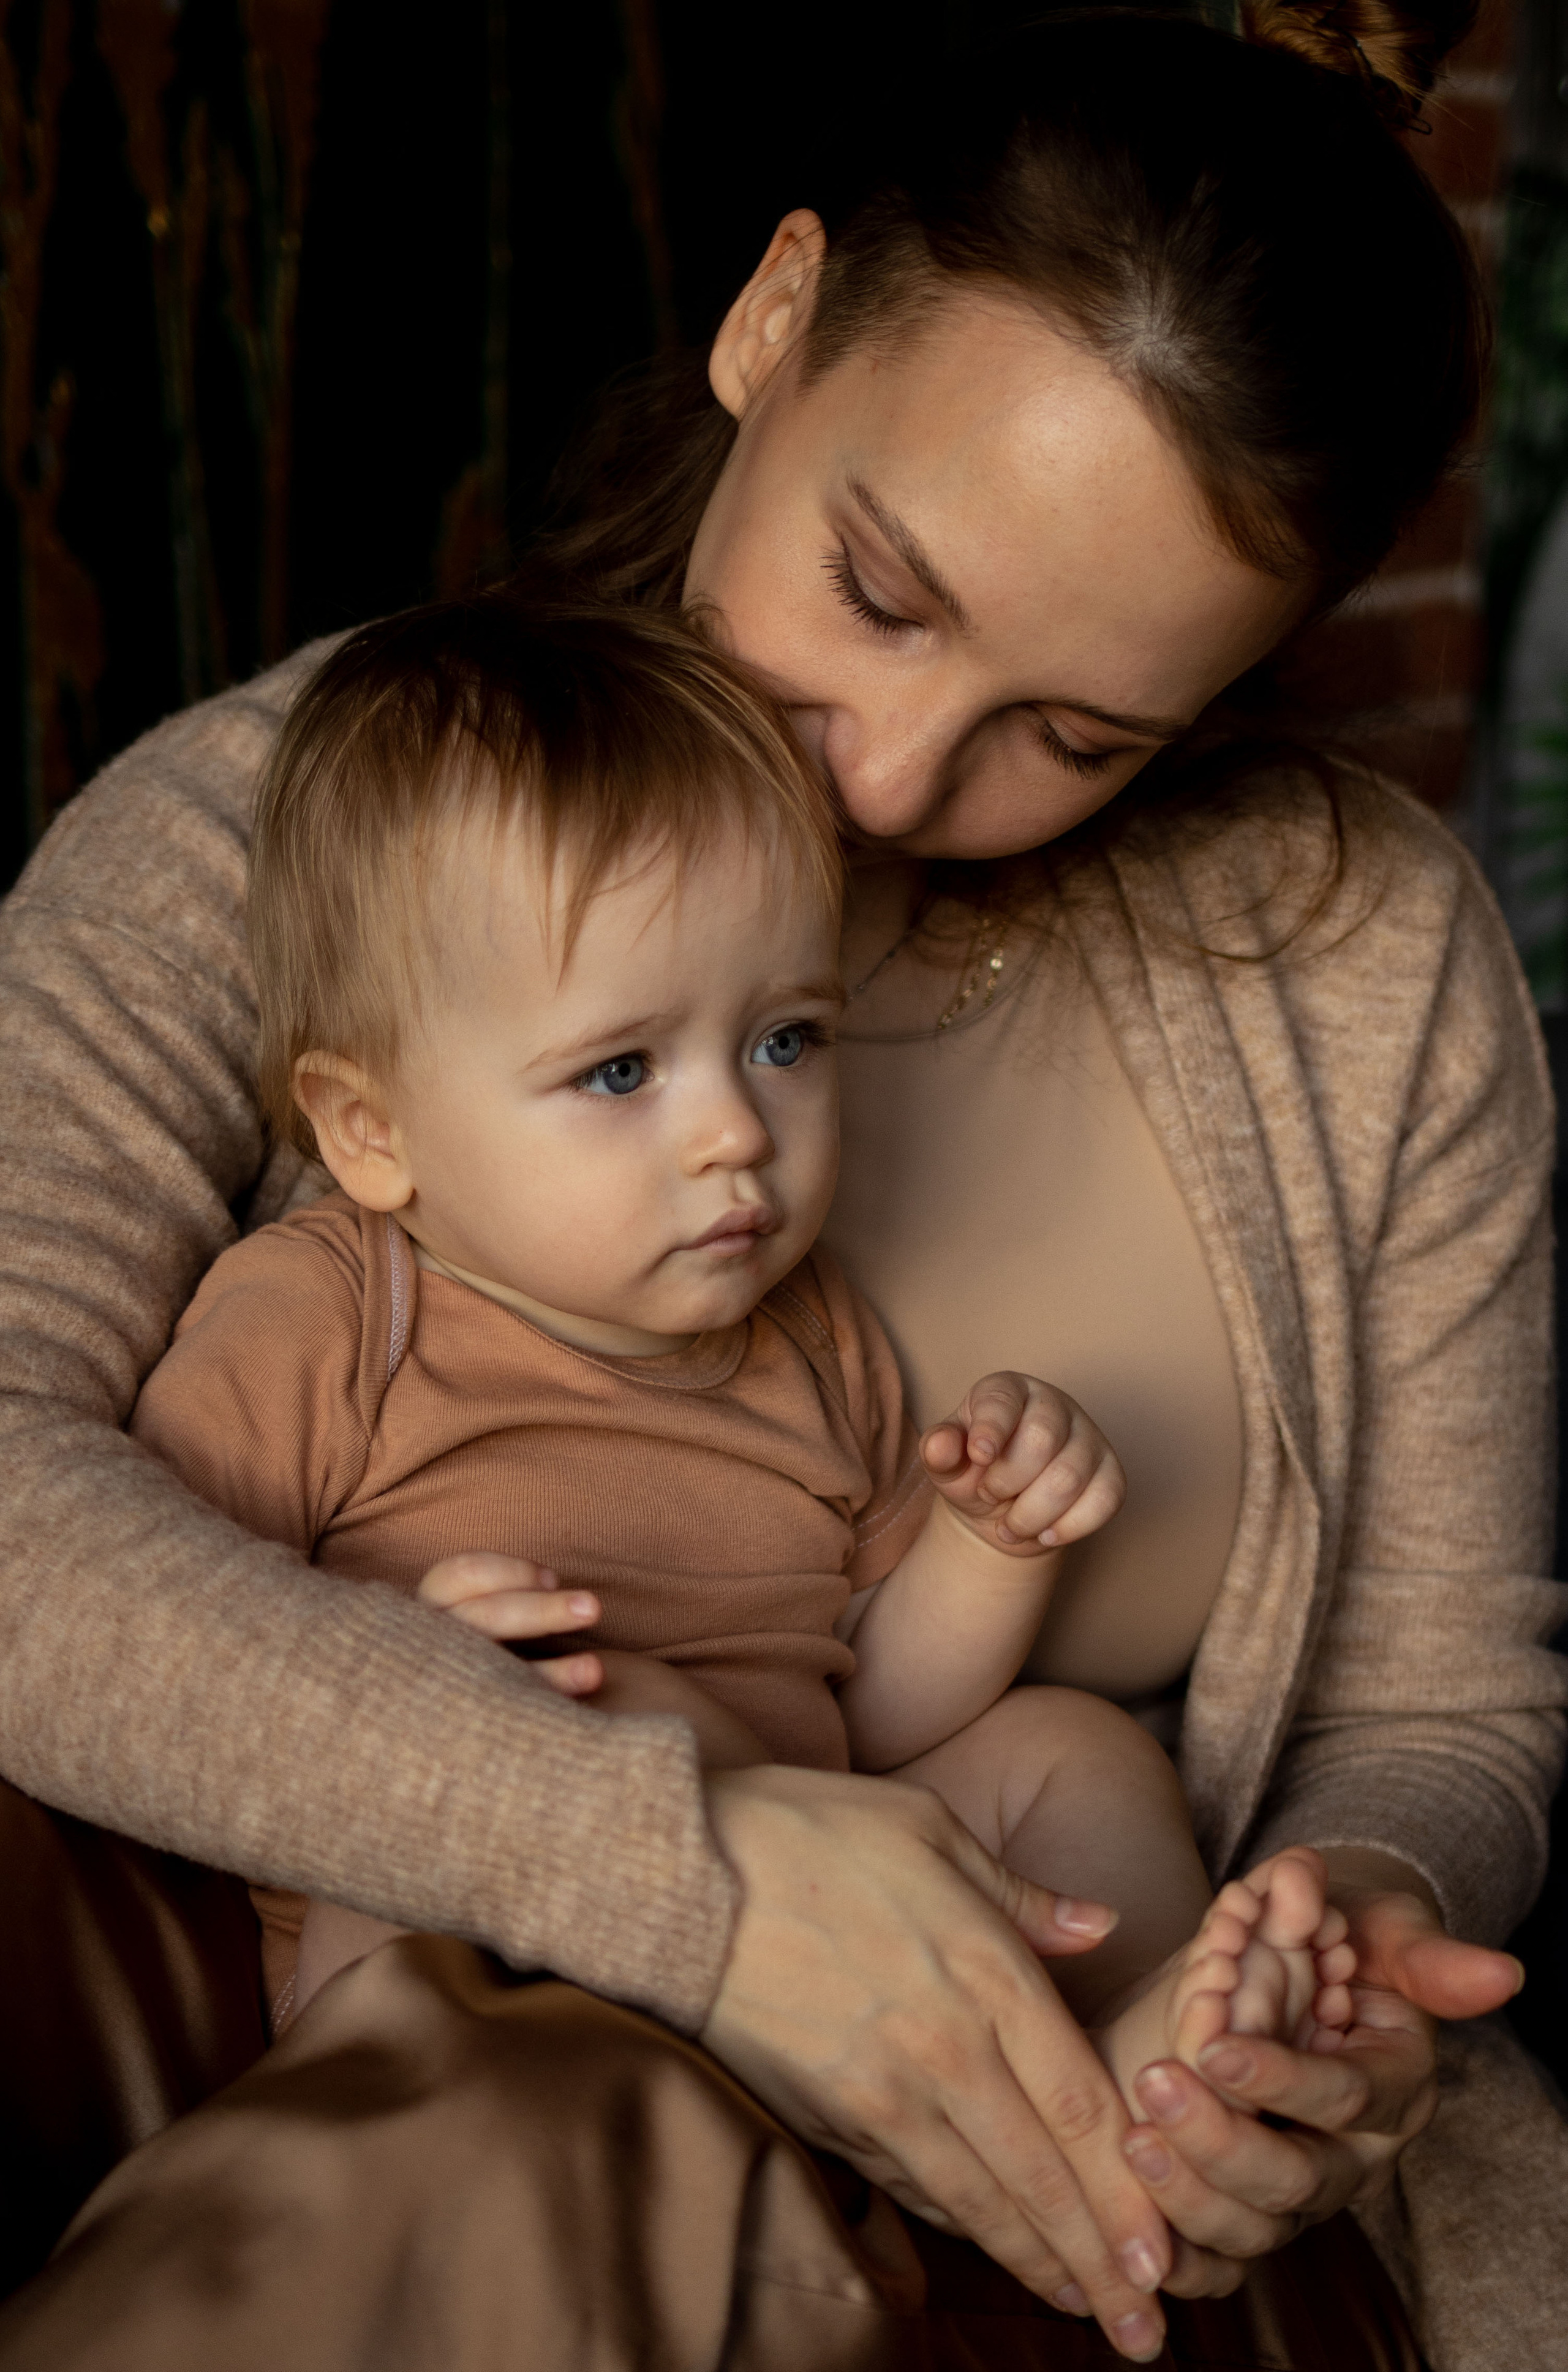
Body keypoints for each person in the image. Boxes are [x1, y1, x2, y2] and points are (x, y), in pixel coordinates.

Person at [0, 7, 1562, 2370]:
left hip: (1111, 2210)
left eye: (1082, 733)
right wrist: (679, 1874)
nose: (904, 777)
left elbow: (1441, 1711)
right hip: (467, 2115)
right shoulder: (298, 833)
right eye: (886, 589)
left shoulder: (1360, 962)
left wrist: (1331, 1961)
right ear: (772, 318)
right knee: (517, 2152)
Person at [127, 594, 1355, 2085]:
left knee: (1075, 1752)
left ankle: (1151, 2076)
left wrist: (990, 1542)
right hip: (492, 1938)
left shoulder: (811, 1336)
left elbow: (877, 1707)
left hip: (831, 1887)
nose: (733, 1132)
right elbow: (166, 1611)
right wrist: (390, 1676)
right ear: (371, 1130)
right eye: (620, 1068)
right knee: (587, 1700)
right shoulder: (325, 1310)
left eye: (784, 1040)